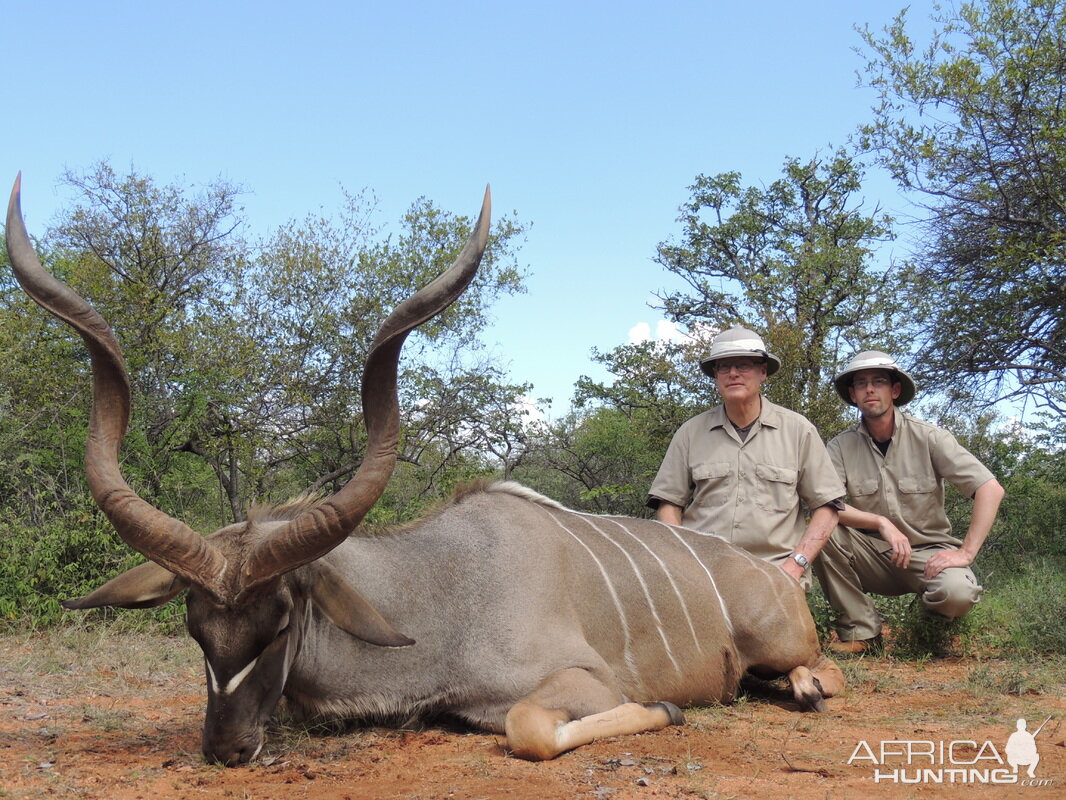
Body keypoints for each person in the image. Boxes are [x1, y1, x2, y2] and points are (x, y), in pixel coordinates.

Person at [814, 350, 1006, 654]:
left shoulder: (930, 437)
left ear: (895, 390)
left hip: (928, 556)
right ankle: (862, 632)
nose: (869, 390)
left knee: (958, 593)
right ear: (852, 394)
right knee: (818, 530)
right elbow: (830, 504)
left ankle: (926, 628)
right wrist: (880, 522)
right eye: (861, 383)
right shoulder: (839, 445)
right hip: (873, 554)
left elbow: (990, 488)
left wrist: (966, 552)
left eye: (878, 382)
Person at [647, 326, 845, 586]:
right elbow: (668, 503)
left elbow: (828, 508)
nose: (733, 373)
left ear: (762, 371)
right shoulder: (690, 433)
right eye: (723, 367)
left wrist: (796, 564)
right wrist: (684, 561)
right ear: (715, 376)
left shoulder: (798, 430)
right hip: (704, 575)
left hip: (775, 574)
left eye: (743, 365)